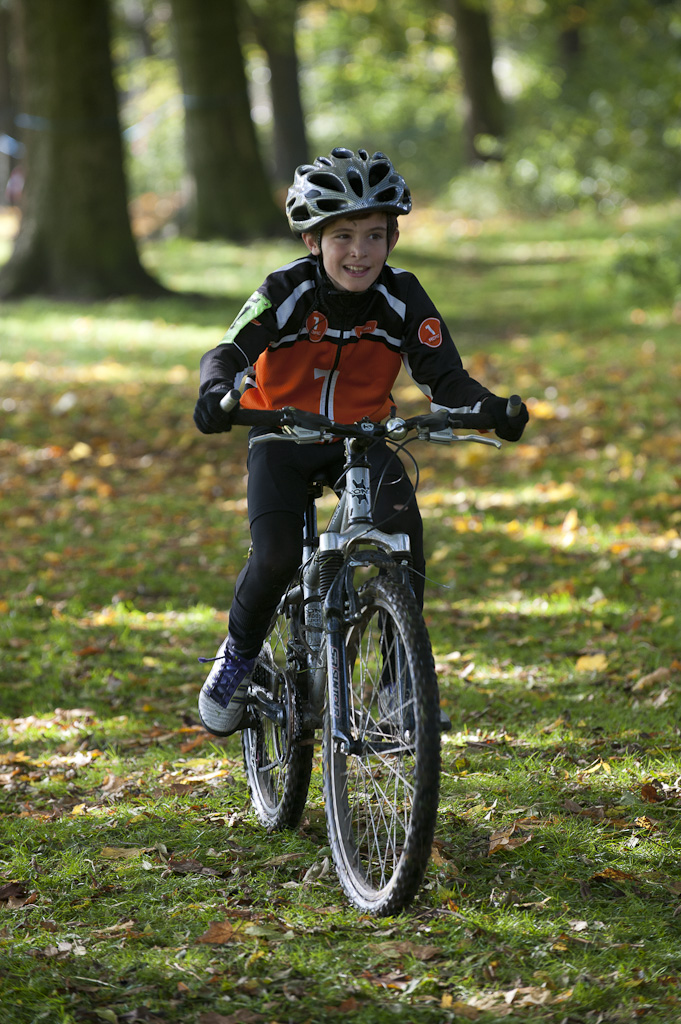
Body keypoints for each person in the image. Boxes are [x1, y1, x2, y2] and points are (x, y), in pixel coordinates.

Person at [193, 146, 528, 736]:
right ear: (312, 241)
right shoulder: (286, 289)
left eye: (375, 235)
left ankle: (400, 683)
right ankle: (238, 656)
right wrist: (217, 390)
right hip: (283, 433)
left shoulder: (403, 297)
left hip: (366, 435)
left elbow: (444, 377)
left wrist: (489, 408)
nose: (359, 252)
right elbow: (229, 350)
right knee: (275, 555)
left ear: (393, 239)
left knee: (404, 537)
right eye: (343, 236)